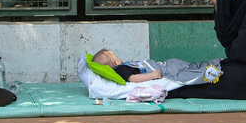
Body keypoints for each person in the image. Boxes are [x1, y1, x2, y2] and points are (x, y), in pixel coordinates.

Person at [92, 48, 222, 85]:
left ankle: (212, 65)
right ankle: (208, 72)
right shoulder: (119, 69)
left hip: (164, 65)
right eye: (116, 57)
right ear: (114, 63)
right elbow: (133, 78)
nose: (119, 58)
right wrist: (152, 75)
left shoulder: (121, 66)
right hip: (162, 70)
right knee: (182, 75)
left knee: (186, 66)